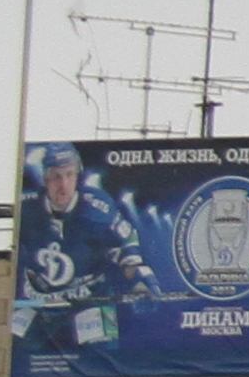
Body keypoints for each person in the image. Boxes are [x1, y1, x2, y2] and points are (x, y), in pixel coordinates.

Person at [10, 145, 148, 357]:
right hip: (39, 300)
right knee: (14, 348)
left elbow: (126, 242)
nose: (63, 184)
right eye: (56, 176)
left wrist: (139, 279)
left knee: (101, 357)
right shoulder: (27, 209)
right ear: (45, 179)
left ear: (77, 176)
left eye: (69, 175)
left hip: (88, 299)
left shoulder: (97, 208)